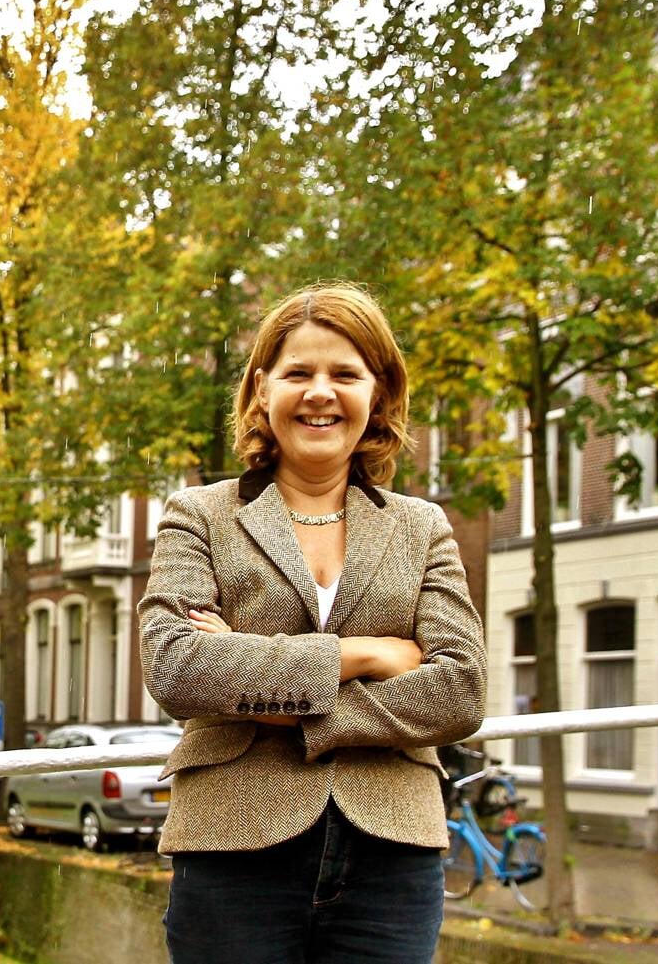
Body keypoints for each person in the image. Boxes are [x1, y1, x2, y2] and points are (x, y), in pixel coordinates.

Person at [137, 281, 486, 964]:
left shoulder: (423, 528)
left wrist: (281, 704)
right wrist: (367, 653)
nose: (320, 392)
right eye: (298, 372)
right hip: (234, 844)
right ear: (263, 389)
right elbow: (176, 666)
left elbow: (462, 689)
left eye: (345, 374)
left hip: (394, 853)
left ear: (376, 393)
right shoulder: (198, 515)